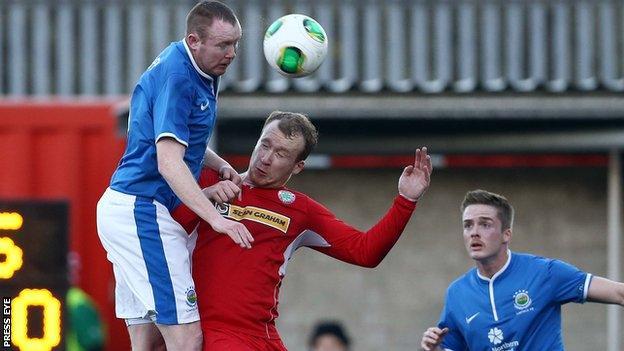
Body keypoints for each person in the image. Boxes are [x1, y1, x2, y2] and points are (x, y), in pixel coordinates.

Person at [172, 110, 433, 350]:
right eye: (264, 144)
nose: (265, 158)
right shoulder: (208, 182)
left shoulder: (299, 209)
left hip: (264, 337)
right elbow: (158, 230)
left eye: (281, 154)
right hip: (212, 332)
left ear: (298, 166)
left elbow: (365, 252)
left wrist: (405, 201)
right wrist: (203, 196)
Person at [96, 2, 252, 350]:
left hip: (130, 210)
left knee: (148, 342)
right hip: (140, 212)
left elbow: (178, 140)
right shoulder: (179, 75)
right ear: (194, 40)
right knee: (187, 337)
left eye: (236, 44)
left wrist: (216, 163)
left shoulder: (196, 67)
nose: (232, 53)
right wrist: (217, 220)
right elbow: (169, 163)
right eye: (223, 45)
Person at [420, 189, 624, 351]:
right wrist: (434, 348)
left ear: (506, 234)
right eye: (468, 225)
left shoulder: (545, 272)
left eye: (485, 224)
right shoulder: (457, 293)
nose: (474, 233)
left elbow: (618, 293)